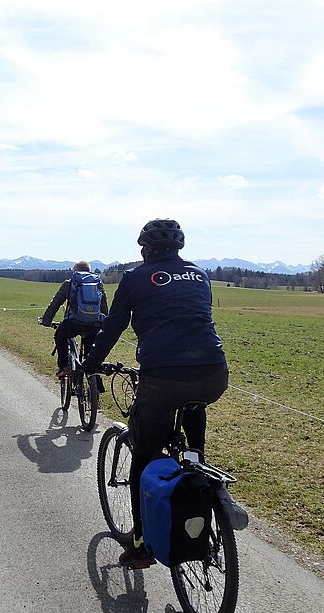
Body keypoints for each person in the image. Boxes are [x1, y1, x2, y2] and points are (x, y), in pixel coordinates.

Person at [80, 219, 229, 569]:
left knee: (144, 458)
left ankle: (141, 544)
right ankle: (198, 468)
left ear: (144, 249)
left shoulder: (134, 278)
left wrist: (90, 364)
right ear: (179, 247)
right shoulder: (199, 275)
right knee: (193, 410)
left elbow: (113, 326)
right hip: (212, 372)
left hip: (161, 377)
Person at [39, 261, 109, 376]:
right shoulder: (98, 284)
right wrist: (104, 325)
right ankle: (95, 379)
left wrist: (46, 321)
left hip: (73, 323)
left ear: (75, 271)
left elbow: (55, 304)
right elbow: (104, 308)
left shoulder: (70, 283)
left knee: (60, 336)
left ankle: (64, 367)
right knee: (91, 353)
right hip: (94, 325)